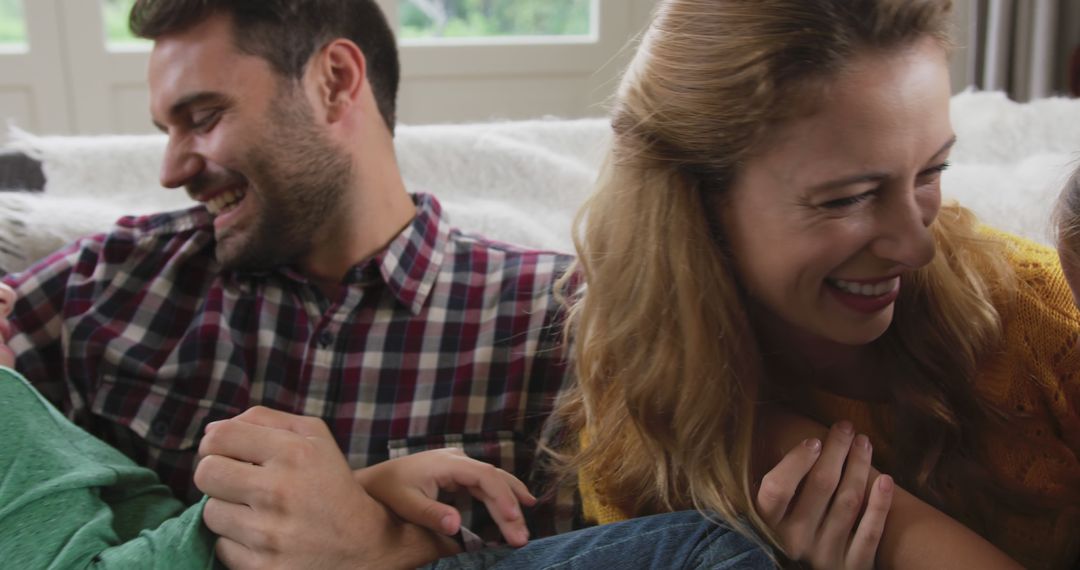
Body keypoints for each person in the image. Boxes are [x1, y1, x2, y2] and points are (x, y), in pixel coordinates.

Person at [0, 0, 579, 565]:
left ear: (334, 81)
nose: (171, 171)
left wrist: (396, 551)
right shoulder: (110, 282)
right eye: (167, 130)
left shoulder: (554, 322)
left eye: (202, 119)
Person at [553, 0, 1080, 568]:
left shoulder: (1042, 317)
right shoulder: (646, 401)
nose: (916, 246)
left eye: (932, 172)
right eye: (847, 198)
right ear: (694, 203)